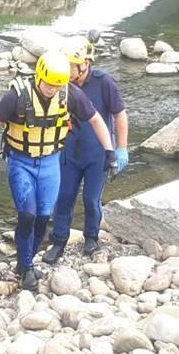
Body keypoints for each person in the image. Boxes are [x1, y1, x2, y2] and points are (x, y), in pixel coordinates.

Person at [0, 51, 114, 291]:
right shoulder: (17, 96)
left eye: (57, 85)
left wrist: (110, 150)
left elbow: (95, 119)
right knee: (27, 215)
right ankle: (27, 269)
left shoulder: (69, 93)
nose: (52, 89)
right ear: (39, 75)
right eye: (49, 84)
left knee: (43, 217)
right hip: (21, 161)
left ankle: (25, 262)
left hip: (51, 162)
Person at [42, 36, 129, 263]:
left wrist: (121, 148)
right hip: (68, 151)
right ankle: (59, 240)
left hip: (96, 153)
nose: (68, 70)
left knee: (91, 199)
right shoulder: (60, 85)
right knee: (64, 197)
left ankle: (91, 238)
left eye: (72, 65)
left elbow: (120, 114)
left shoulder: (104, 82)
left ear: (85, 63)